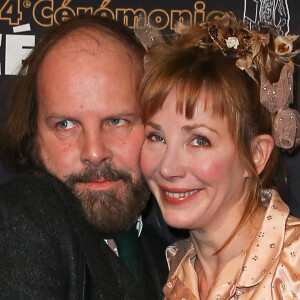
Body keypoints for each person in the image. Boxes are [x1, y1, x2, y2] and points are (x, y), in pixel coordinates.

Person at [0, 15, 169, 299]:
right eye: (65, 125)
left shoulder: (169, 258)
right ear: (33, 135)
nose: (94, 152)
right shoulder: (20, 219)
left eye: (117, 121)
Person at [137, 13, 300, 299]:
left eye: (199, 140)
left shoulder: (294, 265)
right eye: (156, 137)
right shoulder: (175, 272)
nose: (167, 167)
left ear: (257, 154)